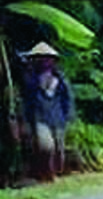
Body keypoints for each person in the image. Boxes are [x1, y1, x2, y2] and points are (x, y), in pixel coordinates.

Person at [22, 42, 74, 181]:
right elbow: (27, 99)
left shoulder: (60, 79)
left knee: (58, 148)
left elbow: (67, 98)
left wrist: (69, 115)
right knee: (46, 146)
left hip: (58, 117)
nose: (44, 62)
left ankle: (55, 172)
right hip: (40, 117)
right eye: (41, 58)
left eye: (47, 58)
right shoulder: (31, 80)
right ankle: (48, 174)